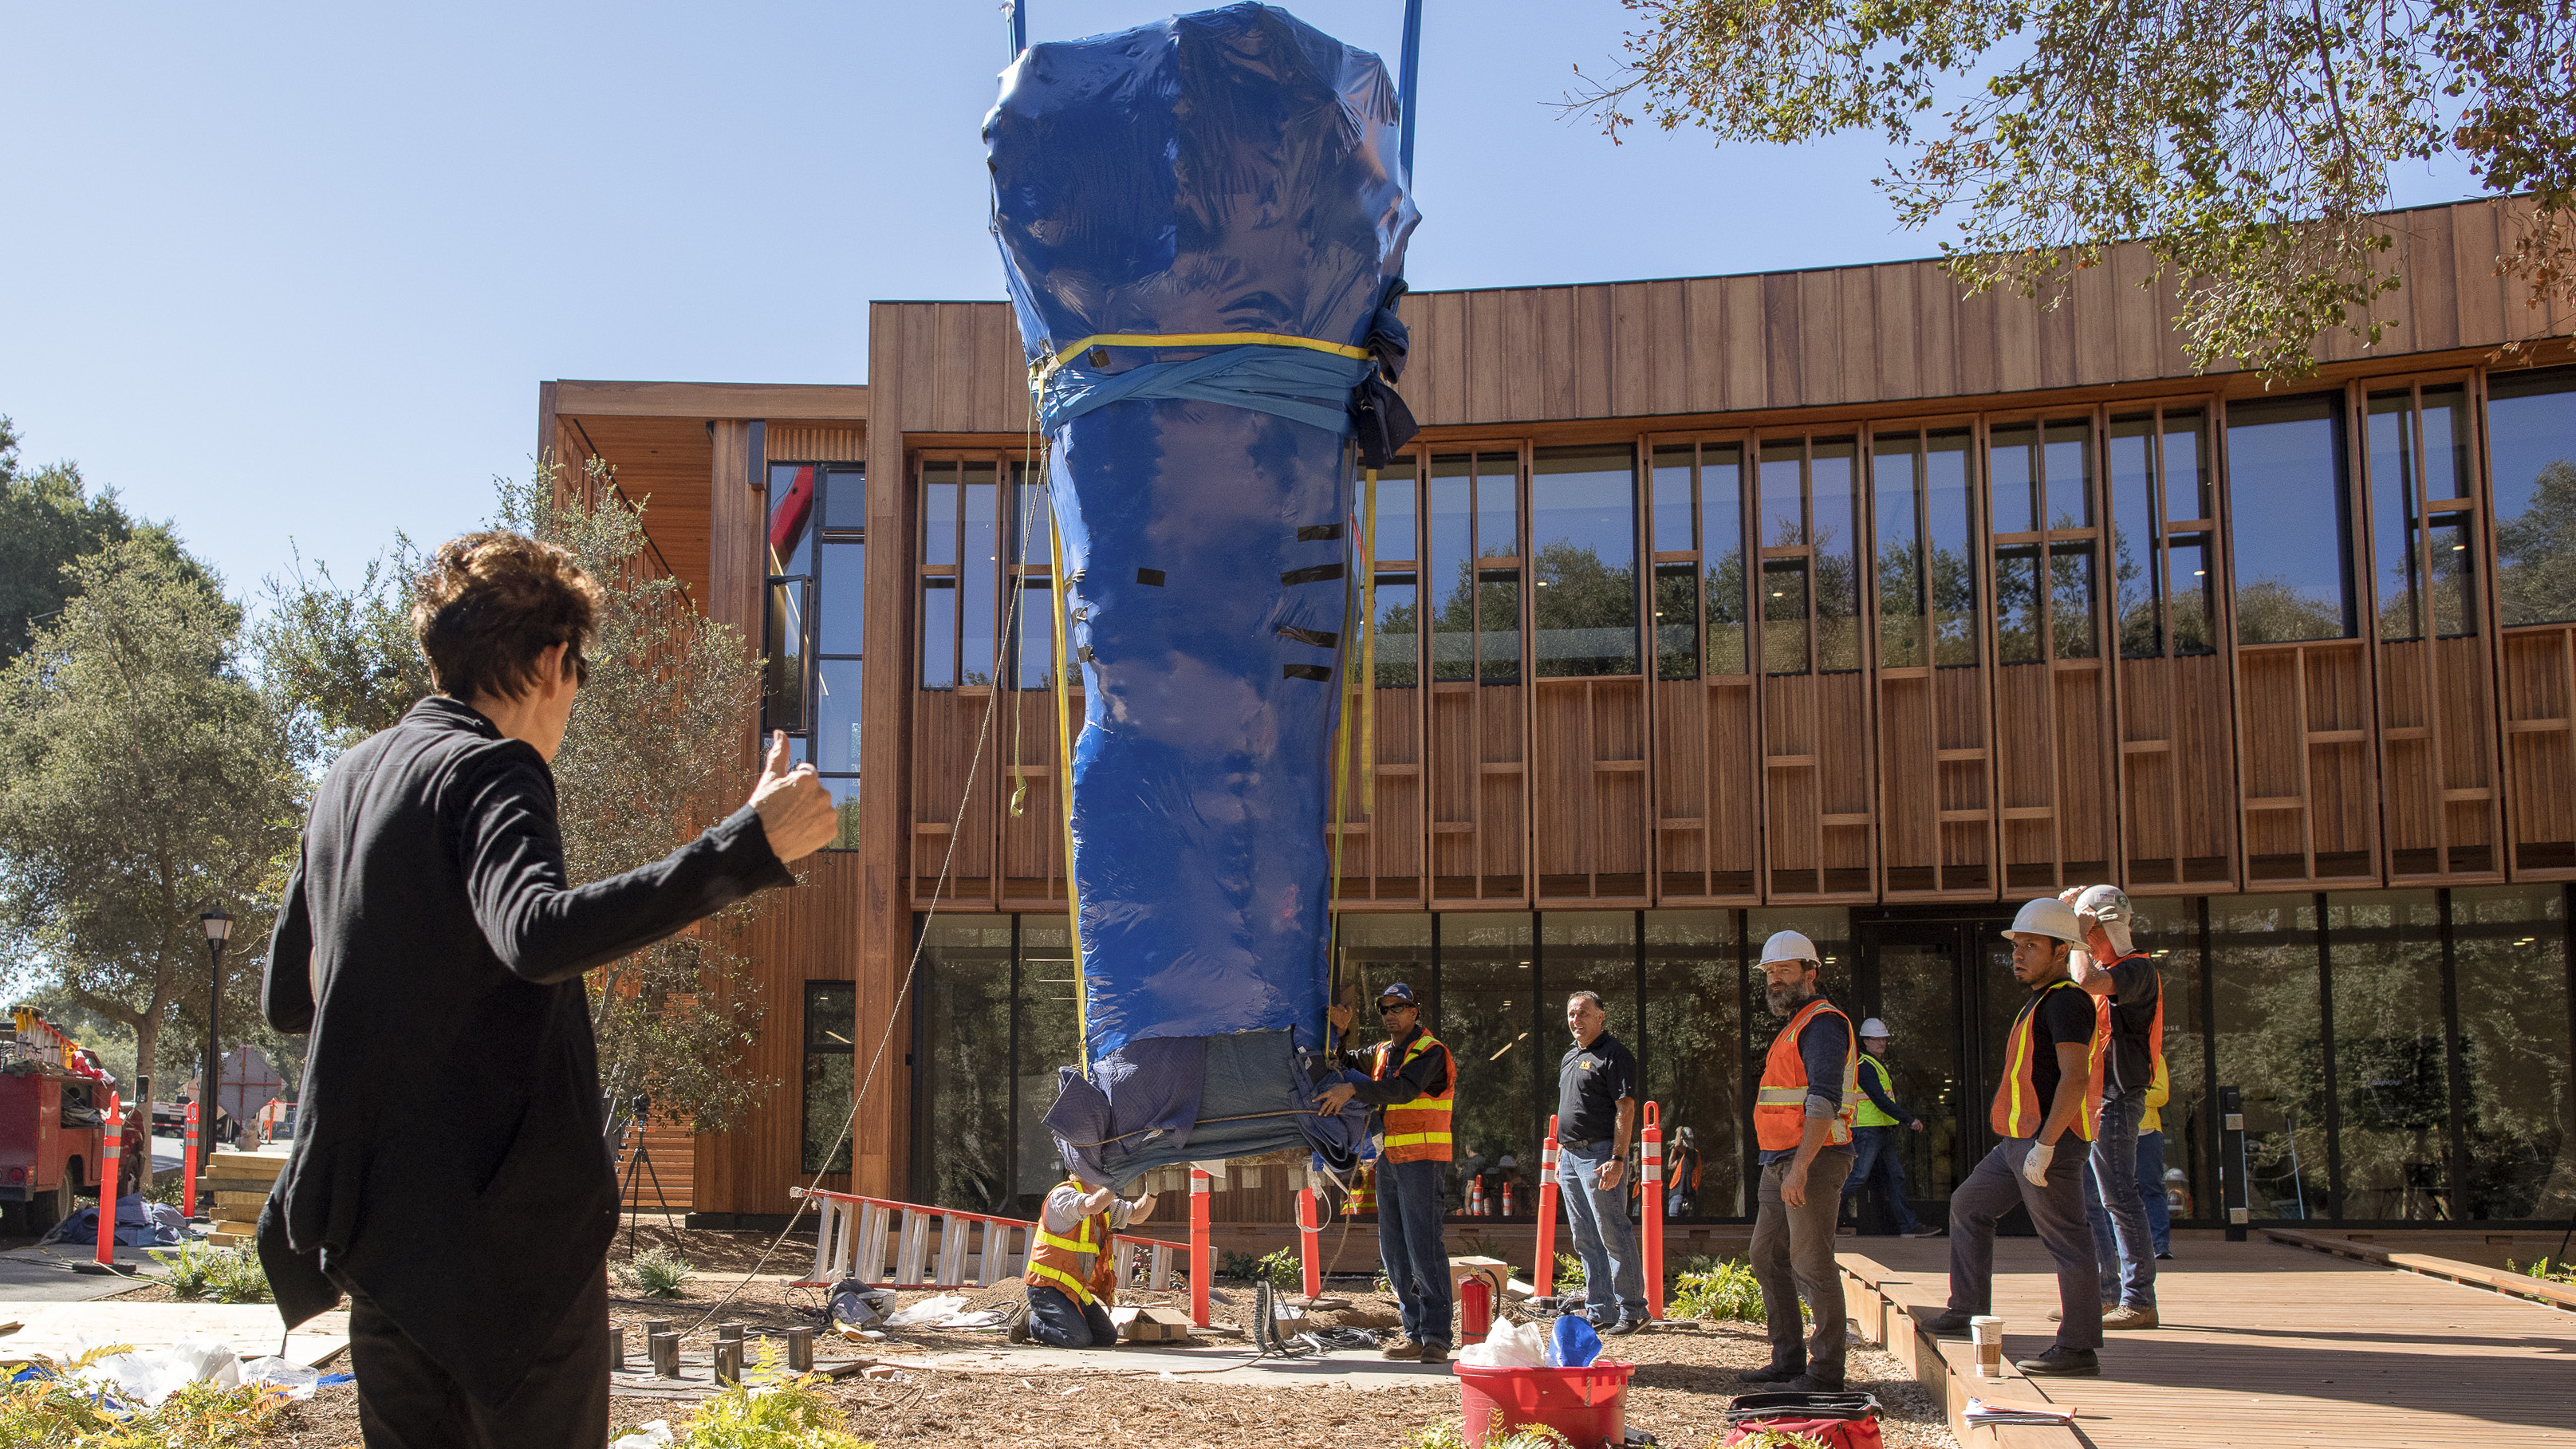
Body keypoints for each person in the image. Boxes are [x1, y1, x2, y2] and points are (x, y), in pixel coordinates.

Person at [258, 531, 838, 1449]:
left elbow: (291, 999)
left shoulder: (349, 778)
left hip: (380, 1245)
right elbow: (537, 933)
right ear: (550, 661)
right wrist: (748, 845)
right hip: (507, 1257)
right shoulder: (490, 767)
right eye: (581, 670)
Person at [1925, 899, 2103, 1377]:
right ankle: (1966, 1312)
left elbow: (2074, 1079)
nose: (2017, 955)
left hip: (2048, 1143)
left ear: (2062, 949)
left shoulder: (2067, 1000)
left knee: (2068, 1240)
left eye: (2030, 946)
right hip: (2016, 1143)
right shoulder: (2044, 1000)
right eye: (2016, 945)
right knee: (1968, 1205)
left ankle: (2079, 1348)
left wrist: (2046, 1145)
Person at [1742, 930, 1860, 1392]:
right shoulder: (1798, 1023)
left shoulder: (1822, 1023)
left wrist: (1801, 1168)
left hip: (1812, 1159)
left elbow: (1822, 1101)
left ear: (1812, 973)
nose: (1774, 980)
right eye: (1770, 972)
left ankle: (1826, 1372)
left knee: (1812, 1262)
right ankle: (1788, 1360)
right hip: (1782, 1160)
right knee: (1766, 1255)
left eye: (1784, 971)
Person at [1316, 982, 1457, 1363]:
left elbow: (1401, 1091)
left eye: (1399, 1008)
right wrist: (1341, 1034)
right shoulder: (1381, 1051)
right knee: (1395, 1251)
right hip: (1392, 1163)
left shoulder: (1431, 1052)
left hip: (1423, 1161)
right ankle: (1414, 1333)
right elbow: (1345, 1064)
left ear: (1415, 1011)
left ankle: (1436, 1338)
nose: (1391, 1015)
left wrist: (1352, 1092)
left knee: (1424, 1247)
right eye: (1385, 1009)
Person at [2062, 884, 2160, 1329]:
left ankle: (2138, 1299)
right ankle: (2104, 1295)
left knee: (2119, 1197)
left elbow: (2084, 980)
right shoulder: (2110, 966)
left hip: (2118, 1098)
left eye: (2089, 930)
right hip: (2096, 1096)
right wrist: (2070, 922)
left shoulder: (2136, 969)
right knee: (2090, 1197)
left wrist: (2078, 932)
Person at [1554, 990, 1646, 1336]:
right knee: (1584, 1238)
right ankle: (1601, 1309)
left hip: (1600, 1155)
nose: (1575, 1020)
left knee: (1613, 1232)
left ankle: (1633, 1310)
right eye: (1571, 1014)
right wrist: (1563, 1151)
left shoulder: (1615, 1054)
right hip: (1570, 1157)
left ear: (1600, 1016)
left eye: (1582, 1014)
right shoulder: (1569, 1057)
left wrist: (1617, 1158)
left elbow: (1626, 1107)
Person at [1010, 1171, 1156, 1349]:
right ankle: (1031, 1321)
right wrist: (1118, 1182)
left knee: (1107, 1337)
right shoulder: (1062, 1196)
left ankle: (1060, 1319)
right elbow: (1091, 1205)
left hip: (1075, 1290)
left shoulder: (1105, 1205)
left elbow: (1137, 1215)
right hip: (1046, 1288)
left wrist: (1153, 1192)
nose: (1105, 1174)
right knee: (1078, 1339)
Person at [1841, 1018, 1941, 1238]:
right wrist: (1908, 1119)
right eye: (1876, 1039)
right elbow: (1880, 1099)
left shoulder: (1874, 1064)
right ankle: (1826, 1220)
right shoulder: (1865, 1066)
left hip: (1880, 1130)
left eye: (1884, 1039)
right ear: (1865, 1041)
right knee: (1858, 1176)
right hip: (1868, 1130)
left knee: (1896, 1177)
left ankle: (1909, 1226)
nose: (1881, 1043)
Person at [1665, 1125, 1701, 1219]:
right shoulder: (1685, 1158)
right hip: (1677, 1195)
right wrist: (1673, 1148)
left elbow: (1678, 1145)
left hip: (1681, 1196)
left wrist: (1680, 1129)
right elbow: (1670, 1165)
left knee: (1675, 1225)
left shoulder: (1693, 1154)